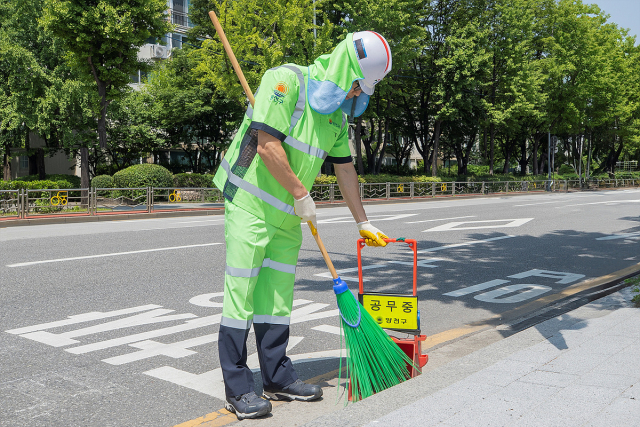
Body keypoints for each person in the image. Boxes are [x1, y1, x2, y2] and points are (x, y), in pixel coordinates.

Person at [212, 30, 393, 420]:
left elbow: (345, 170)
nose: (356, 96)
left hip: (288, 214)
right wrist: (300, 193)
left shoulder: (335, 117)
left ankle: (277, 377)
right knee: (241, 293)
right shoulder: (285, 81)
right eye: (358, 86)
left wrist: (363, 222)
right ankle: (238, 389)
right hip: (250, 204)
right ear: (347, 73)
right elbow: (266, 145)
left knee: (276, 297)